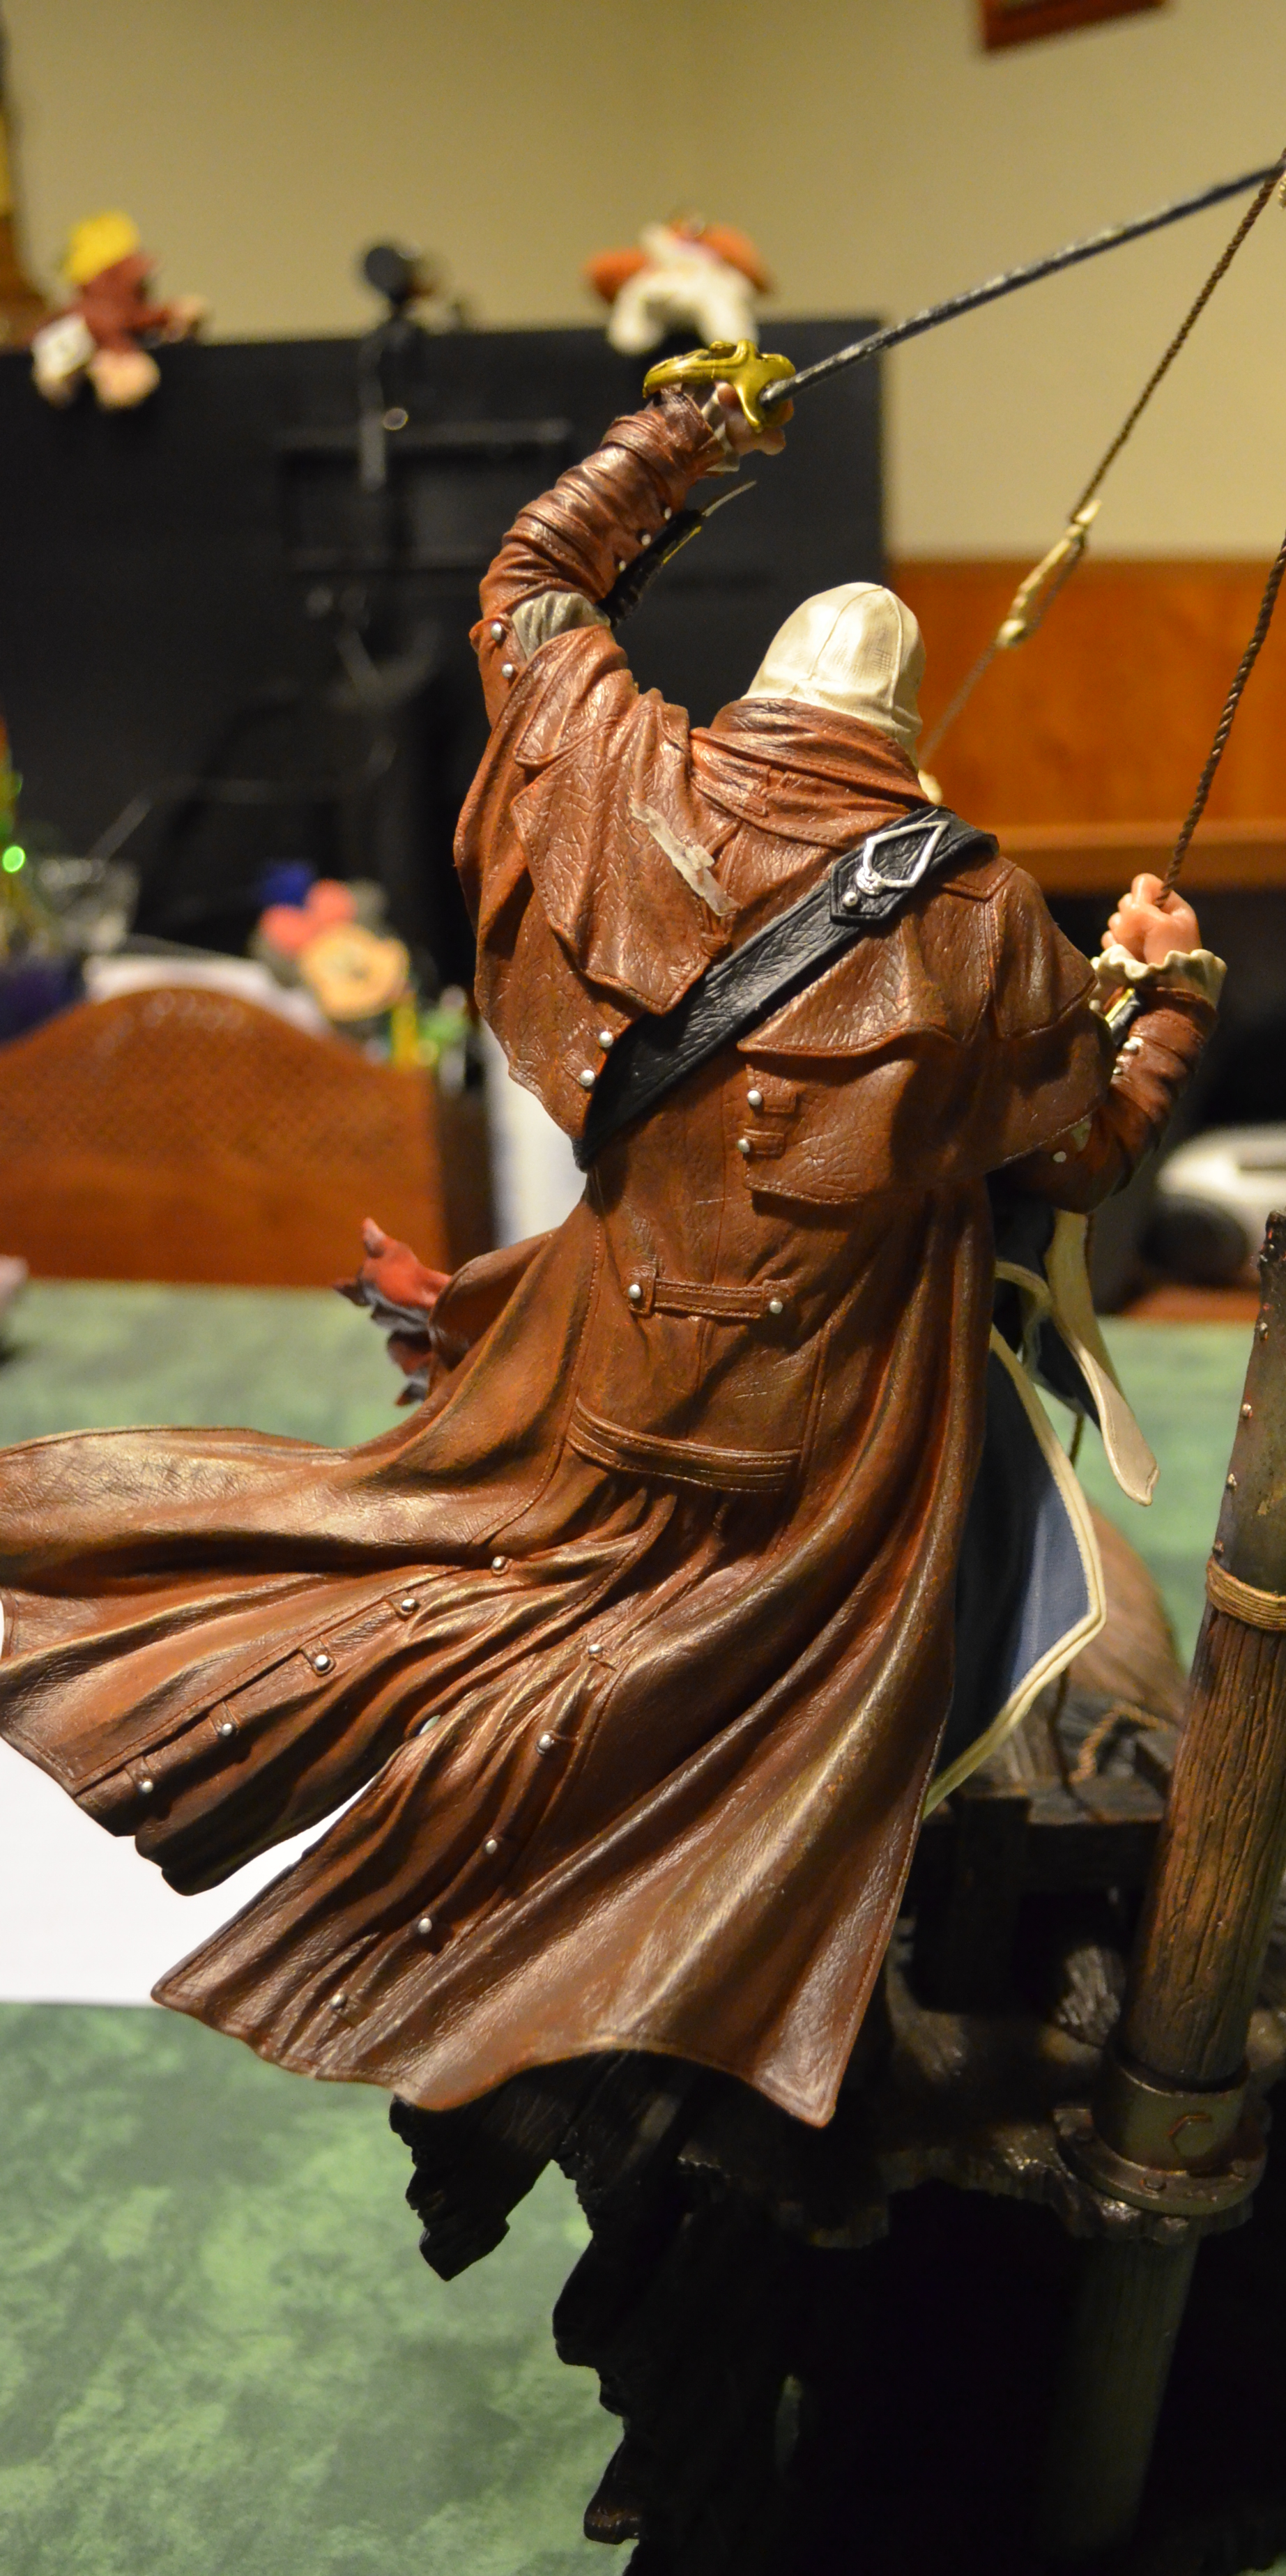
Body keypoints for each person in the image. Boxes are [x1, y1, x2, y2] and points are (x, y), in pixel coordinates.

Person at [0, 378, 1220, 2132]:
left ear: (764, 696)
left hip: (602, 1367)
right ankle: (662, 1977)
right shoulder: (988, 921)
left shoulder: (615, 767)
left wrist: (682, 438)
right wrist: (1161, 1000)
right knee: (786, 1738)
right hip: (830, 1449)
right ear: (903, 742)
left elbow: (529, 583)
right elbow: (1087, 1156)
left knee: (447, 1593)